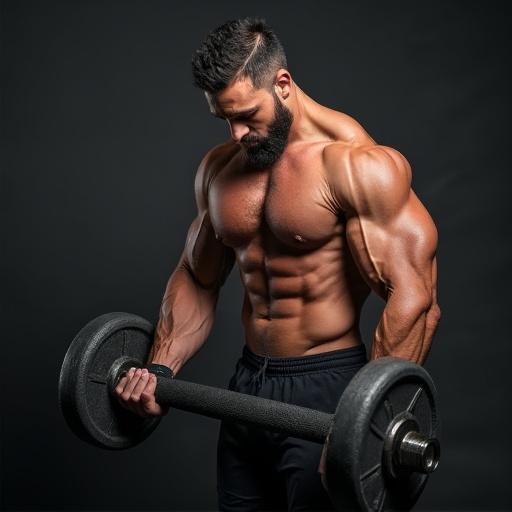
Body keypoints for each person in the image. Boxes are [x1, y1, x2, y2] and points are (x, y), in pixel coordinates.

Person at [115, 18, 441, 511]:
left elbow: (415, 298)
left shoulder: (355, 165)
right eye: (225, 118)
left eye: (247, 114)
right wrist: (160, 367)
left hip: (329, 389)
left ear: (282, 83)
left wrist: (366, 418)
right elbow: (198, 279)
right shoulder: (220, 169)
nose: (237, 132)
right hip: (247, 386)